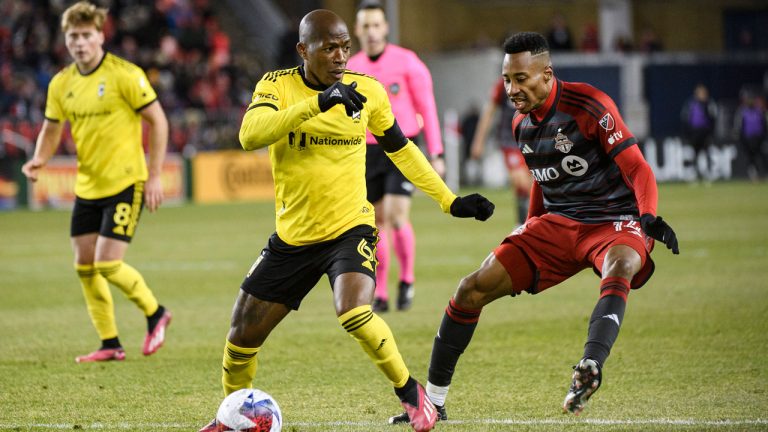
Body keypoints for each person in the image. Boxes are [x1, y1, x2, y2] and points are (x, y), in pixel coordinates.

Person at [198, 9, 494, 432]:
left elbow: (401, 148)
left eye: (344, 47)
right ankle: (230, 417)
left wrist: (449, 201)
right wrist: (317, 104)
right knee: (241, 336)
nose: (340, 57)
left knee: (352, 310)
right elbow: (250, 134)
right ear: (304, 50)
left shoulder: (367, 91)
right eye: (329, 48)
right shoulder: (276, 85)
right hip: (293, 238)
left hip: (349, 229)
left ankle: (413, 396)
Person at [390, 31, 679, 424]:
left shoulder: (590, 105)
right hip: (558, 225)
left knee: (622, 263)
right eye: (507, 79)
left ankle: (589, 366)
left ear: (547, 74)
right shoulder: (521, 126)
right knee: (470, 289)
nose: (512, 89)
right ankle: (433, 403)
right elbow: (543, 183)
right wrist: (526, 235)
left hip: (613, 219)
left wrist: (647, 217)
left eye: (521, 79)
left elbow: (637, 167)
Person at [21, 1, 172, 363]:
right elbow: (50, 128)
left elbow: (159, 122)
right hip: (88, 187)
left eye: (87, 35)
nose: (80, 43)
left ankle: (156, 313)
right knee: (84, 267)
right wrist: (40, 158)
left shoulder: (125, 74)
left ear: (100, 36)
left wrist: (153, 176)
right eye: (73, 36)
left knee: (107, 264)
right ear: (66, 40)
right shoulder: (62, 83)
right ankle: (110, 343)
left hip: (126, 182)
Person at [347, 1, 445, 313]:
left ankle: (406, 280)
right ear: (357, 30)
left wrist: (437, 152)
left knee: (396, 214)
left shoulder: (408, 62)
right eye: (366, 26)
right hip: (366, 152)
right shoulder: (352, 67)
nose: (372, 32)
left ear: (386, 27)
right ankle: (382, 293)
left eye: (377, 25)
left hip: (402, 147)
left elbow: (426, 106)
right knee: (375, 223)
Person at [470, 76, 533, 225]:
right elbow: (489, 112)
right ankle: (522, 224)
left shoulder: (535, 82)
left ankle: (529, 222)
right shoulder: (503, 85)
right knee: (520, 181)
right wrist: (478, 141)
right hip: (510, 140)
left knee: (533, 186)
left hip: (533, 138)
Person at [680, 83, 718, 181]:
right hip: (695, 134)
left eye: (703, 93)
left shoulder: (709, 104)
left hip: (705, 133)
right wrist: (688, 133)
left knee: (707, 153)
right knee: (695, 154)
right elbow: (685, 119)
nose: (701, 95)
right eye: (699, 92)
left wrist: (711, 132)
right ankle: (695, 174)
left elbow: (713, 119)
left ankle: (709, 173)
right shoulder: (690, 104)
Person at [733, 88, 768, 181]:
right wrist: (739, 137)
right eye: (748, 99)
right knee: (750, 157)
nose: (750, 101)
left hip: (759, 138)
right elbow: (738, 126)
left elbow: (764, 124)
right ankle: (753, 174)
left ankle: (765, 173)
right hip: (747, 138)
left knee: (762, 155)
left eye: (752, 99)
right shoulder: (742, 111)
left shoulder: (760, 111)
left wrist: (764, 137)